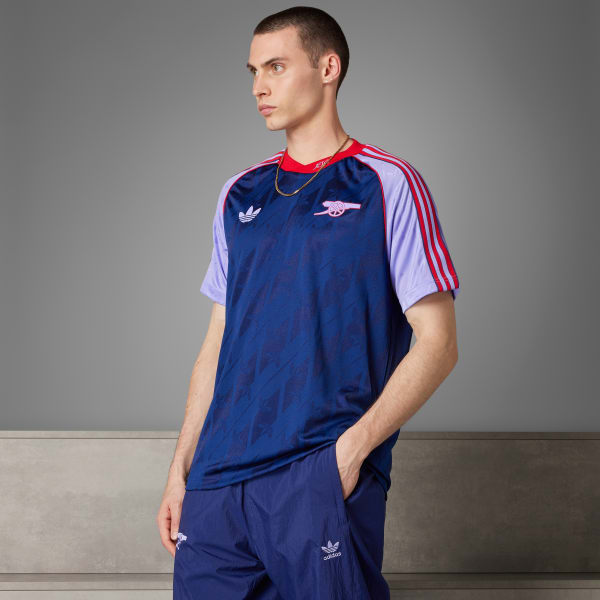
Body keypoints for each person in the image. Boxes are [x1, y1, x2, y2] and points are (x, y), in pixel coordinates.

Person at [158, 6, 460, 599]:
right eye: (252, 71)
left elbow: (439, 344)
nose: (258, 87)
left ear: (328, 68)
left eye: (275, 66)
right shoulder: (238, 193)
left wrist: (350, 454)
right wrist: (180, 470)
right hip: (216, 484)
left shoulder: (387, 183)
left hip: (316, 474)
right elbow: (218, 343)